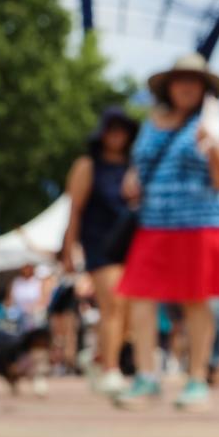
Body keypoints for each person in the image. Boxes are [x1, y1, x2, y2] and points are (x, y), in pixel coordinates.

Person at [115, 53, 219, 410]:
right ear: (168, 87)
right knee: (140, 299)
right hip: (153, 223)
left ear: (204, 87)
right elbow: (139, 166)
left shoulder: (213, 124)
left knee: (196, 300)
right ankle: (146, 376)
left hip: (200, 223)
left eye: (194, 80)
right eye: (180, 79)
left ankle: (196, 379)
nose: (186, 86)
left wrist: (213, 143)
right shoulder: (151, 123)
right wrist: (132, 179)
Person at [61, 106, 139, 394]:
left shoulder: (135, 165)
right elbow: (74, 210)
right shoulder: (87, 165)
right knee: (113, 304)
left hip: (131, 243)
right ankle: (111, 369)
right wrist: (68, 249)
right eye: (112, 129)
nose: (118, 135)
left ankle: (96, 357)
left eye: (123, 130)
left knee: (131, 311)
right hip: (99, 244)